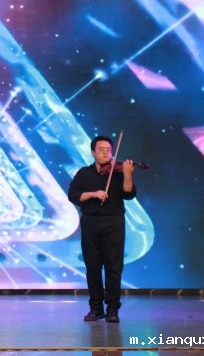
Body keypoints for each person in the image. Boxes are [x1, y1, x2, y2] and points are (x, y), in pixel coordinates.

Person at [67, 135, 136, 323]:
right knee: (93, 267)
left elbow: (129, 194)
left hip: (113, 222)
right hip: (90, 222)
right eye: (101, 150)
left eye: (109, 150)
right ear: (93, 152)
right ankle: (96, 308)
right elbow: (73, 195)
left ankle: (113, 309)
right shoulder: (84, 173)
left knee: (114, 268)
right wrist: (93, 194)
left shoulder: (118, 172)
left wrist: (128, 174)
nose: (106, 153)